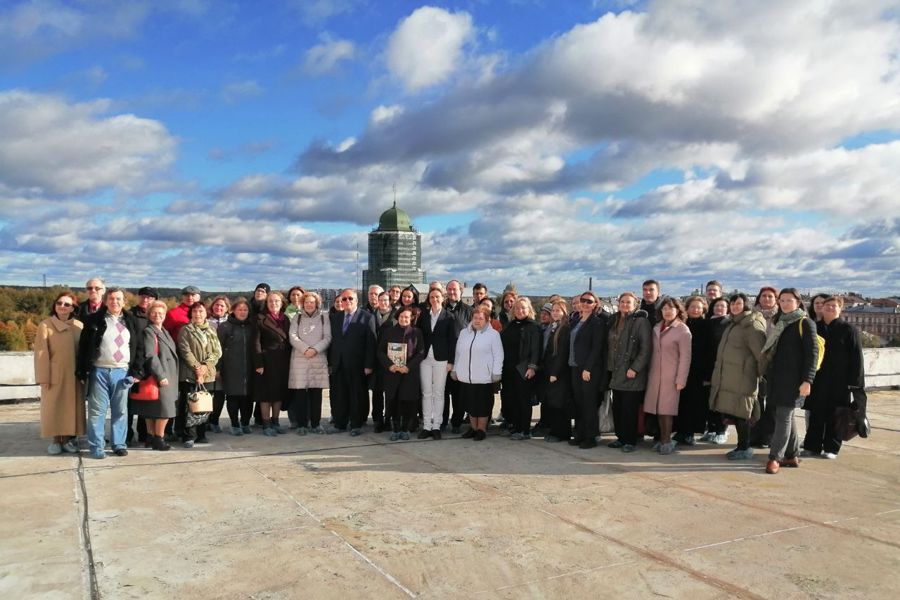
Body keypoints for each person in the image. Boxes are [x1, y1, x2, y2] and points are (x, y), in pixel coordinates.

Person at [76, 287, 143, 459]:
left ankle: (119, 444)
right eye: (111, 298)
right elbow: (83, 348)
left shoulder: (131, 321)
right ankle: (96, 447)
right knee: (97, 412)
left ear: (124, 301)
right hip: (99, 371)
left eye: (119, 299)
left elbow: (140, 348)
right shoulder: (94, 320)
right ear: (105, 301)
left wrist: (136, 373)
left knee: (120, 411)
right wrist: (82, 371)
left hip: (122, 372)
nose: (115, 302)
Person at [760, 288, 818, 474]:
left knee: (783, 418)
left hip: (793, 380)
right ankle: (792, 455)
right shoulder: (779, 321)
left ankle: (775, 457)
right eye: (782, 300)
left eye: (788, 300)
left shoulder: (805, 323)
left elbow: (812, 355)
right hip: (776, 378)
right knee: (786, 416)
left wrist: (807, 380)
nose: (784, 303)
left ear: (798, 302)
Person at [803, 295, 865, 459]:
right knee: (816, 414)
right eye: (827, 305)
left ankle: (832, 448)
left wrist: (856, 384)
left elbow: (857, 358)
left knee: (836, 415)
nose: (830, 308)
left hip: (840, 381)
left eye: (834, 306)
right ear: (821, 308)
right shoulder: (814, 328)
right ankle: (811, 446)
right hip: (817, 379)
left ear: (840, 309)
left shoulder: (849, 330)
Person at [709, 293, 767, 460]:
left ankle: (745, 447)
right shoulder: (734, 324)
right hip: (731, 375)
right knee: (736, 412)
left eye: (739, 303)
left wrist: (758, 375)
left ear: (746, 305)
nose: (735, 306)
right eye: (732, 303)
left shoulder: (751, 325)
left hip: (744, 376)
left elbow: (761, 355)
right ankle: (741, 446)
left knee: (743, 413)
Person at [34, 291, 84, 455]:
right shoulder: (45, 325)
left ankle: (68, 440)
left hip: (75, 376)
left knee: (72, 408)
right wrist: (43, 377)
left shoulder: (78, 326)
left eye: (67, 304)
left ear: (72, 308)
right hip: (55, 374)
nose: (62, 306)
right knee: (54, 407)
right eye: (59, 303)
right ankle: (56, 440)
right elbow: (41, 354)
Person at [643, 296, 692, 455]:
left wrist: (681, 379)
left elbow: (685, 357)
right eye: (664, 308)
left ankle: (666, 441)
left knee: (667, 411)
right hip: (655, 375)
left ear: (678, 310)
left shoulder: (682, 329)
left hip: (671, 376)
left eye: (671, 308)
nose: (667, 311)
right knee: (657, 410)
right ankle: (661, 439)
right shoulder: (657, 327)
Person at [328, 289, 376, 435]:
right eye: (344, 299)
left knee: (357, 395)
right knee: (338, 394)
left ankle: (356, 424)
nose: (347, 301)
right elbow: (332, 342)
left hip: (358, 364)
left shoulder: (367, 317)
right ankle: (339, 423)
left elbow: (371, 343)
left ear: (357, 300)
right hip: (338, 363)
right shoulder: (335, 318)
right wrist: (330, 362)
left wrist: (369, 365)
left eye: (350, 298)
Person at [607, 292, 651, 453]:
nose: (625, 304)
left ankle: (630, 440)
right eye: (622, 302)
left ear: (635, 304)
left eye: (628, 302)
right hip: (616, 371)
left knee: (629, 409)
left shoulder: (641, 322)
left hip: (631, 373)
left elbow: (645, 349)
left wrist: (635, 368)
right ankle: (621, 438)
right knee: (617, 407)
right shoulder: (615, 320)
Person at [453, 305, 503, 441]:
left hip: (484, 377)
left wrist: (496, 373)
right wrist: (455, 369)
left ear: (487, 320)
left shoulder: (493, 335)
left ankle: (481, 429)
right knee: (470, 404)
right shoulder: (464, 333)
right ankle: (473, 428)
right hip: (467, 376)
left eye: (481, 318)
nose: (477, 321)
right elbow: (458, 353)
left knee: (482, 404)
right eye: (475, 318)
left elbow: (498, 355)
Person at [176, 302, 222, 448]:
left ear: (205, 313)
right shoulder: (186, 330)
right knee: (189, 405)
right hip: (189, 374)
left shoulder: (211, 330)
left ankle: (201, 434)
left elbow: (217, 351)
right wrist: (197, 367)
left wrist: (205, 366)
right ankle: (188, 435)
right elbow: (185, 351)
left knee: (204, 405)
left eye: (201, 311)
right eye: (195, 311)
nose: (198, 314)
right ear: (191, 314)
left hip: (207, 374)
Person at [135, 300, 178, 451]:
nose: (157, 315)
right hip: (160, 375)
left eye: (161, 313)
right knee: (164, 410)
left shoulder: (163, 331)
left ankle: (150, 437)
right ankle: (159, 439)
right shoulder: (149, 331)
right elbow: (150, 355)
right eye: (154, 312)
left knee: (153, 409)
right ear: (149, 314)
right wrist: (161, 375)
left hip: (167, 374)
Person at [378, 306, 426, 441]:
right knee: (393, 402)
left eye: (406, 317)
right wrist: (390, 365)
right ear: (397, 317)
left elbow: (421, 353)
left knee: (408, 402)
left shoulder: (417, 332)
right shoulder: (389, 332)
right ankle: (395, 429)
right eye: (401, 317)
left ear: (411, 318)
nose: (404, 319)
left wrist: (408, 367)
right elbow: (380, 352)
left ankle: (405, 429)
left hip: (409, 374)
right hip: (392, 373)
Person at [568, 291, 609, 449]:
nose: (585, 304)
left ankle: (590, 437)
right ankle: (580, 434)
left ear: (595, 305)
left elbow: (597, 348)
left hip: (588, 370)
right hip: (574, 367)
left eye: (589, 301)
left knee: (589, 404)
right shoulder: (576, 320)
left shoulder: (597, 323)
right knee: (578, 403)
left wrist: (588, 368)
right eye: (583, 300)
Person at [288, 291, 332, 435]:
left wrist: (315, 349)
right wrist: (305, 349)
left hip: (317, 358)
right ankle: (302, 424)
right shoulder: (297, 317)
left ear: (317, 303)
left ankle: (315, 423)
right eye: (306, 302)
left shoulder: (324, 317)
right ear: (303, 303)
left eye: (312, 302)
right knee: (301, 393)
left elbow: (327, 337)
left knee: (316, 393)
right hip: (300, 358)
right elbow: (292, 336)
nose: (309, 304)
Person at [417, 287, 456, 440]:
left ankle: (436, 426)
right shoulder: (424, 316)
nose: (434, 299)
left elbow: (452, 340)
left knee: (439, 393)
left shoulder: (449, 316)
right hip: (425, 359)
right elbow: (419, 336)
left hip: (442, 359)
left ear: (442, 298)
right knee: (426, 393)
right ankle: (426, 426)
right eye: (432, 297)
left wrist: (452, 361)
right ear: (429, 299)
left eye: (437, 297)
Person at [500, 297, 541, 440]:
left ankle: (525, 430)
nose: (519, 310)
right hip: (508, 369)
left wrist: (532, 367)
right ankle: (516, 427)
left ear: (529, 309)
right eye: (517, 308)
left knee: (524, 400)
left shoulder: (533, 327)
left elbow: (536, 350)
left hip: (523, 369)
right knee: (512, 399)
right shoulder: (510, 325)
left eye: (523, 308)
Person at [673, 296, 712, 446]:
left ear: (703, 310)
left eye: (698, 307)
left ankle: (690, 433)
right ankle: (680, 431)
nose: (695, 310)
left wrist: (708, 374)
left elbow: (710, 351)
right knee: (680, 402)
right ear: (686, 309)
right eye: (692, 307)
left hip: (698, 371)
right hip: (681, 368)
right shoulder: (682, 325)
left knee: (695, 403)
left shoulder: (706, 325)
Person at [216, 298, 255, 435]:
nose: (242, 312)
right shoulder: (225, 327)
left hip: (249, 368)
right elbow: (218, 349)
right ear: (233, 311)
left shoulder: (252, 326)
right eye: (239, 309)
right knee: (233, 397)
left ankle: (245, 423)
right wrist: (218, 368)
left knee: (248, 398)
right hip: (231, 367)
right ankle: (234, 424)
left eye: (245, 310)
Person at [254, 292, 291, 436]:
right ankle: (266, 424)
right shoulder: (260, 318)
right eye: (270, 301)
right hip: (266, 361)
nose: (273, 304)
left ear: (282, 303)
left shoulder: (286, 319)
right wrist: (258, 363)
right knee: (266, 394)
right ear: (266, 303)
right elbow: (255, 343)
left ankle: (275, 421)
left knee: (278, 393)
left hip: (283, 361)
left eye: (276, 301)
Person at [749, 286, 780, 447]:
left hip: (775, 364)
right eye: (763, 296)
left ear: (776, 300)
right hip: (755, 363)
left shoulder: (781, 317)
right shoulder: (751, 316)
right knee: (756, 401)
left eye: (770, 296)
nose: (766, 299)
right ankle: (754, 434)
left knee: (773, 403)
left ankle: (768, 436)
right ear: (758, 298)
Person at [539, 301, 572, 443]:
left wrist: (555, 373)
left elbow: (562, 354)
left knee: (559, 404)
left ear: (564, 312)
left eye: (558, 310)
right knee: (553, 403)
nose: (555, 313)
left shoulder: (565, 328)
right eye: (553, 310)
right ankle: (555, 431)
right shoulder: (554, 327)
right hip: (550, 371)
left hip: (559, 374)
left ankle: (561, 433)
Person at [443, 279, 472, 433]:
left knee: (458, 394)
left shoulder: (469, 311)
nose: (452, 292)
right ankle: (442, 421)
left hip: (461, 359)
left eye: (455, 290)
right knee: (443, 393)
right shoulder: (440, 308)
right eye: (449, 289)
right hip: (442, 358)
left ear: (461, 291)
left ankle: (456, 422)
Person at [371, 291, 397, 432]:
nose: (383, 302)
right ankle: (377, 420)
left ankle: (389, 419)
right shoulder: (372, 316)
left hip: (391, 360)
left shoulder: (395, 317)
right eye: (381, 300)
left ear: (390, 301)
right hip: (376, 360)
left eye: (386, 300)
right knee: (376, 392)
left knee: (390, 393)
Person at [205, 295, 230, 432]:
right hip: (208, 362)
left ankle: (214, 420)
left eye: (222, 306)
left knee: (220, 394)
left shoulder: (229, 323)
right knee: (207, 393)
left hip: (224, 363)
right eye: (216, 305)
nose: (219, 307)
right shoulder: (206, 322)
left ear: (227, 308)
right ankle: (205, 420)